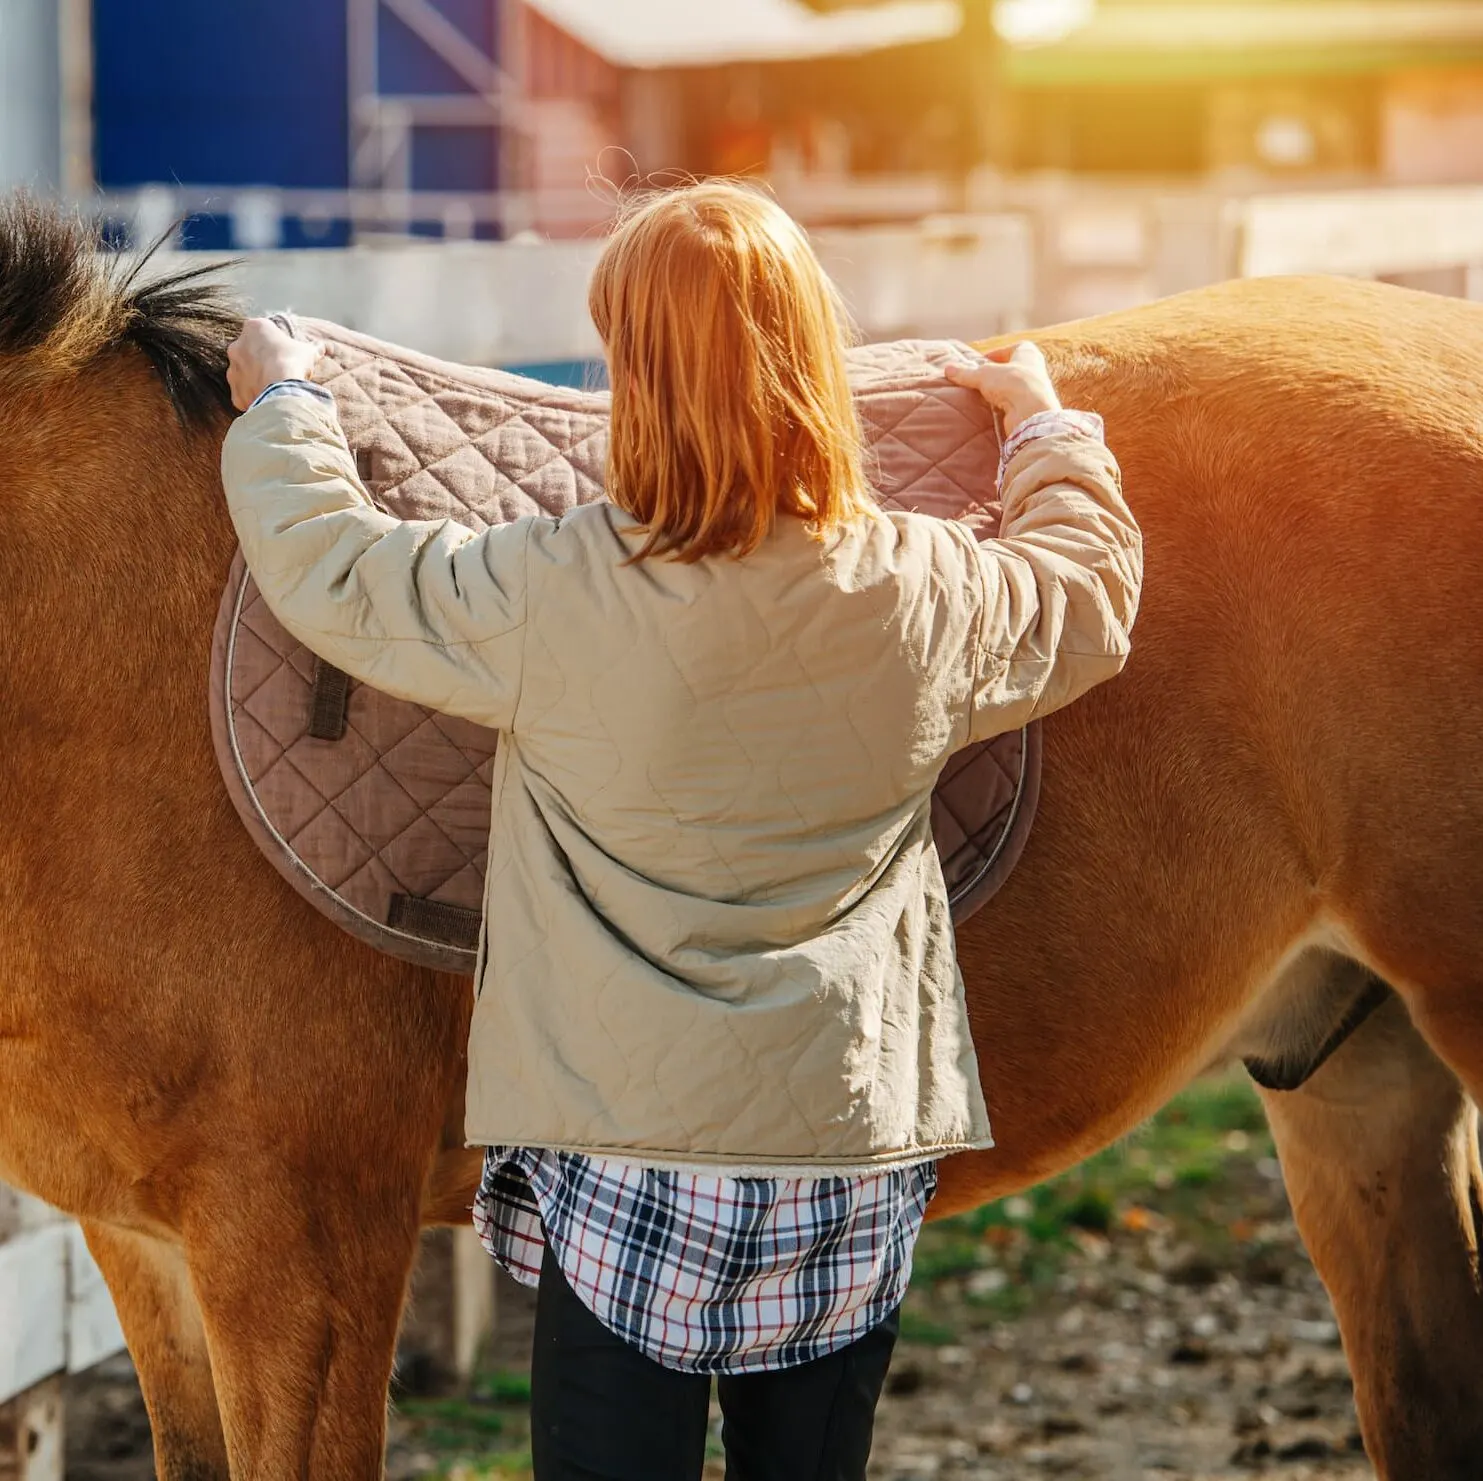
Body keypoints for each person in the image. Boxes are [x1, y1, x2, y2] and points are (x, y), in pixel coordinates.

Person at [220, 180, 1142, 1481]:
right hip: (844, 1142)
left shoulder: (548, 589)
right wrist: (1043, 423)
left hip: (622, 1160)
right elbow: (1088, 597)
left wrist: (286, 401)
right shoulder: (922, 589)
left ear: (632, 381)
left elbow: (335, 566)